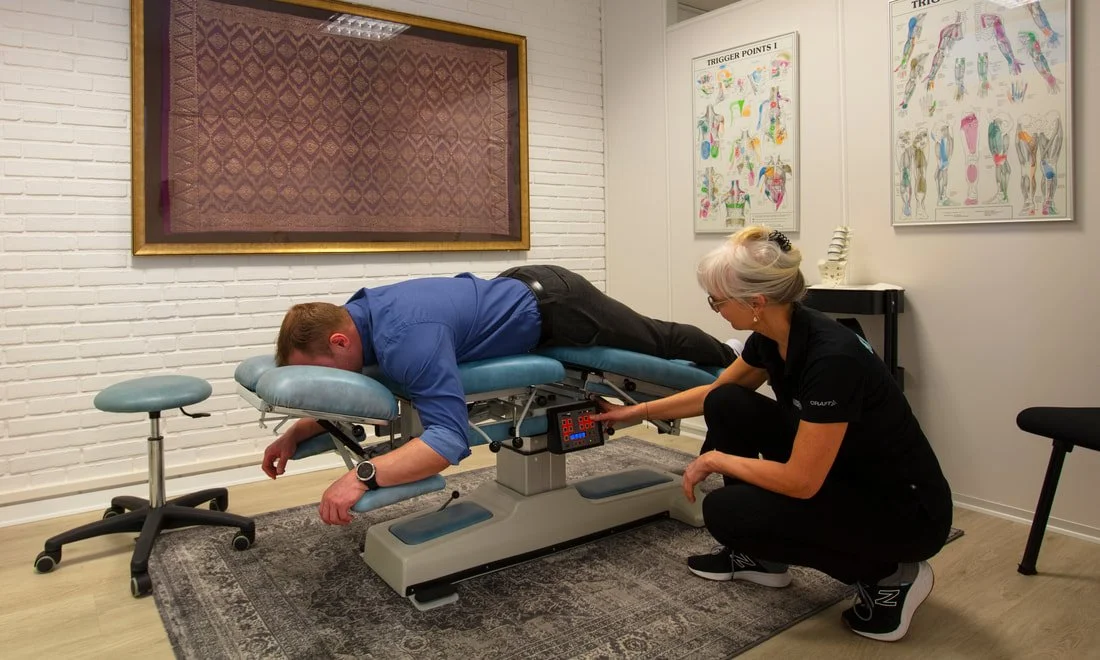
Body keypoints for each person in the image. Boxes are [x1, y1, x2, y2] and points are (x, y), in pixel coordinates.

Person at [592, 226, 953, 643]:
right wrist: (633, 412)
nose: (715, 309)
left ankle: (890, 574)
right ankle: (760, 557)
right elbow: (714, 392)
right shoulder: (774, 335)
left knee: (727, 511)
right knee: (727, 401)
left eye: (718, 301)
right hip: (845, 469)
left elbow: (801, 481)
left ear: (756, 303)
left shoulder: (832, 358)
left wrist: (713, 459)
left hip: (904, 510)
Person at [261, 264, 737, 528]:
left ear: (340, 342)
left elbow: (448, 442)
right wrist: (302, 429)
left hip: (559, 304)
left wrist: (363, 475)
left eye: (320, 375)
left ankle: (732, 356)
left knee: (657, 340)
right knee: (654, 336)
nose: (328, 386)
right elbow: (364, 386)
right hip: (516, 290)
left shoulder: (406, 340)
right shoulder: (356, 318)